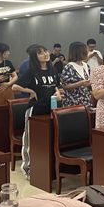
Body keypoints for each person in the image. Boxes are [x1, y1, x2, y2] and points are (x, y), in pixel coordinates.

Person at [13, 45, 62, 178]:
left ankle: (46, 168)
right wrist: (30, 91)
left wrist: (57, 93)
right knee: (30, 140)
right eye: (40, 53)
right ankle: (28, 168)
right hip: (35, 109)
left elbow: (56, 86)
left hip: (51, 108)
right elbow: (15, 86)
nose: (45, 54)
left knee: (49, 139)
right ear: (35, 57)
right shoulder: (32, 71)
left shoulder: (52, 69)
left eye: (45, 51)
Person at [60, 42, 92, 107]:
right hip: (73, 102)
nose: (87, 52)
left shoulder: (86, 65)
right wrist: (80, 83)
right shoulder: (69, 67)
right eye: (85, 50)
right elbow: (64, 86)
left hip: (86, 100)